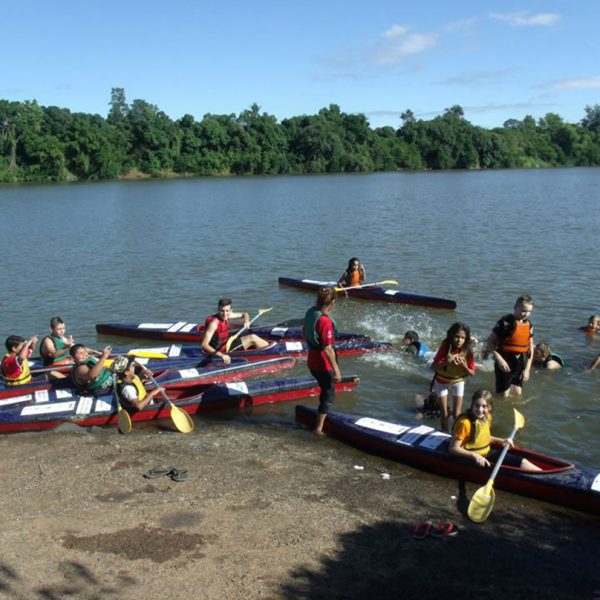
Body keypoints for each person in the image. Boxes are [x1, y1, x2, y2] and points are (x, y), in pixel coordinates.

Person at [449, 390, 541, 471]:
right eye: (477, 405)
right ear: (472, 405)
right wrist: (474, 455)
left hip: (486, 453)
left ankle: (541, 473)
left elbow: (484, 437)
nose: (480, 410)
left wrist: (502, 440)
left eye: (484, 406)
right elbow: (453, 448)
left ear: (489, 407)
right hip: (470, 458)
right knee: (515, 461)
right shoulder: (465, 423)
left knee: (519, 460)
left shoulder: (487, 417)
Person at [303, 286, 342, 434]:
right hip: (322, 362)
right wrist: (337, 370)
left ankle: (322, 414)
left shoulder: (311, 312)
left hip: (311, 358)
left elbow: (304, 331)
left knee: (324, 387)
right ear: (332, 303)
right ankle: (318, 429)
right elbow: (328, 349)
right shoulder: (325, 321)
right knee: (328, 393)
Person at [484, 295, 534, 397]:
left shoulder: (529, 325)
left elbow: (531, 347)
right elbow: (490, 341)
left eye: (529, 311)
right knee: (503, 395)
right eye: (523, 310)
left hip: (520, 363)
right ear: (515, 306)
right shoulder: (505, 322)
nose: (526, 314)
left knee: (517, 393)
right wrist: (499, 359)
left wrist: (527, 369)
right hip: (504, 361)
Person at [431, 322, 476, 432]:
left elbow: (472, 373)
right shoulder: (445, 346)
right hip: (441, 381)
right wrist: (446, 362)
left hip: (458, 381)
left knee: (457, 414)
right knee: (444, 413)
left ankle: (457, 436)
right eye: (457, 337)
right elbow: (433, 367)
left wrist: (464, 366)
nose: (459, 340)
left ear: (466, 339)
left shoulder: (468, 351)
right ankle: (444, 435)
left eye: (462, 338)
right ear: (451, 336)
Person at [201, 298, 269, 365]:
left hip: (227, 343)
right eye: (222, 311)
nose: (225, 314)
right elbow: (204, 344)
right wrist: (222, 355)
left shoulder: (228, 315)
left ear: (231, 310)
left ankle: (266, 347)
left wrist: (247, 321)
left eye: (227, 311)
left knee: (246, 333)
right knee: (252, 337)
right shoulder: (214, 324)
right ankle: (271, 352)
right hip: (221, 350)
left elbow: (245, 314)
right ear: (218, 310)